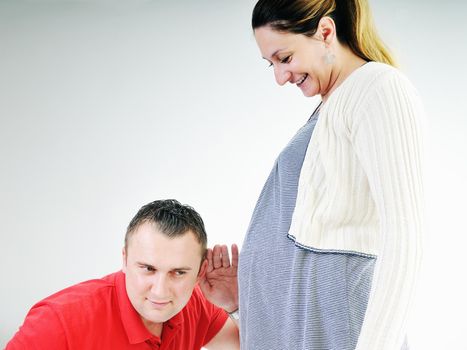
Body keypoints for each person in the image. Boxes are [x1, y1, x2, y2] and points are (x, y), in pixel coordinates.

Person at [236, 0, 425, 349]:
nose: (280, 77)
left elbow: (405, 236)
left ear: (325, 32)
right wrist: (240, 298)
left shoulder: (378, 87)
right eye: (271, 65)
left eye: (285, 58)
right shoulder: (331, 106)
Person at [6, 199, 240, 350]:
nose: (160, 290)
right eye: (148, 269)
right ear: (125, 260)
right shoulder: (59, 321)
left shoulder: (194, 304)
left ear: (199, 273)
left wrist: (235, 306)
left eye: (178, 272)